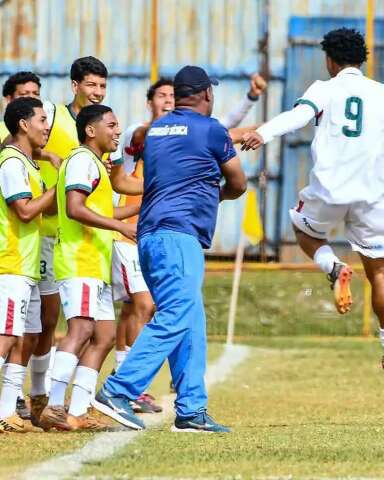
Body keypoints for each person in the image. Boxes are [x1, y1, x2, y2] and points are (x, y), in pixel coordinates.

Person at [241, 28, 384, 370]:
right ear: (362, 60)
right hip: (371, 198)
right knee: (379, 274)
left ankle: (333, 266)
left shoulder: (324, 89)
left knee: (304, 230)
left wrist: (262, 133)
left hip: (328, 192)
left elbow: (299, 116)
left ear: (330, 61)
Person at [94, 65, 247, 432]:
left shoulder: (157, 130)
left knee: (190, 318)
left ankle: (192, 410)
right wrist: (215, 194)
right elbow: (238, 183)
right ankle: (119, 388)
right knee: (178, 312)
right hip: (178, 235)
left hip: (150, 234)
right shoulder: (211, 130)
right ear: (207, 95)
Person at [38, 105, 139, 431]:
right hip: (78, 261)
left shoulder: (96, 164)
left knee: (105, 336)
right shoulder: (81, 160)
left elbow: (104, 211)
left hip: (96, 263)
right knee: (80, 330)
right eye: (111, 125)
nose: (117, 131)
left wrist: (146, 203)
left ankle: (79, 411)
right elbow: (75, 208)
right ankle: (53, 404)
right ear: (91, 130)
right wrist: (118, 226)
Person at [0, 71, 60, 421]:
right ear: (23, 124)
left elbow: (45, 207)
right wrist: (58, 187)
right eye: (41, 120)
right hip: (10, 263)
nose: (47, 127)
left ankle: (8, 411)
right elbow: (23, 211)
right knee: (6, 336)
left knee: (25, 334)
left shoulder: (27, 164)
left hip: (27, 264)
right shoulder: (10, 162)